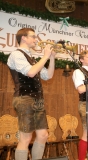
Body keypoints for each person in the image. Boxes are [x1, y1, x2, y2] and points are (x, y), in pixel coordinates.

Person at [7, 28, 56, 160]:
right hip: (24, 98)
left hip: (37, 100)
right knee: (26, 137)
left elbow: (48, 75)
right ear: (23, 38)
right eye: (33, 37)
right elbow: (30, 73)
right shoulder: (16, 54)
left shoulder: (32, 58)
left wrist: (51, 58)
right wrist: (45, 56)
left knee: (43, 135)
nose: (36, 39)